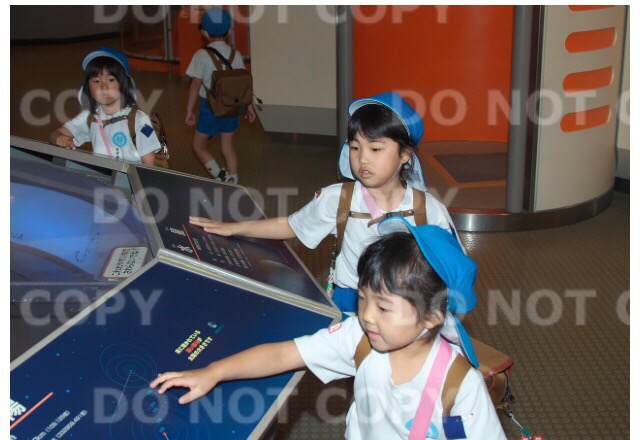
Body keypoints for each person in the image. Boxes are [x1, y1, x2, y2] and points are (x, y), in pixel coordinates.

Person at [150, 218, 506, 439]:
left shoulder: (459, 387)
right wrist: (213, 372)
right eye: (363, 298)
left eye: (384, 307)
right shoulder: (360, 339)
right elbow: (284, 353)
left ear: (432, 316)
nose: (367, 315)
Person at [189, 91, 461, 313]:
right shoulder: (338, 199)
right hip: (350, 306)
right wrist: (235, 228)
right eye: (355, 147)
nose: (363, 159)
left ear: (405, 154)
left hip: (407, 311)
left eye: (375, 148)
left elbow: (454, 269)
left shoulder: (429, 210)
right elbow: (290, 225)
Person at [49, 47, 160, 165]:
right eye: (96, 81)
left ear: (124, 83)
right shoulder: (89, 117)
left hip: (130, 176)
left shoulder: (140, 120)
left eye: (111, 80)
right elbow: (54, 134)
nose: (104, 87)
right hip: (102, 175)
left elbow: (149, 163)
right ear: (88, 87)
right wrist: (60, 138)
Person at [186, 6, 256, 184]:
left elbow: (195, 85)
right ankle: (234, 180)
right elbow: (243, 84)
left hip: (209, 109)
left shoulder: (201, 55)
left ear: (204, 32)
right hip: (231, 109)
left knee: (198, 146)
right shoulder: (236, 55)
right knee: (227, 146)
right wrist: (249, 107)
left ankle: (220, 175)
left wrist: (189, 110)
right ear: (230, 31)